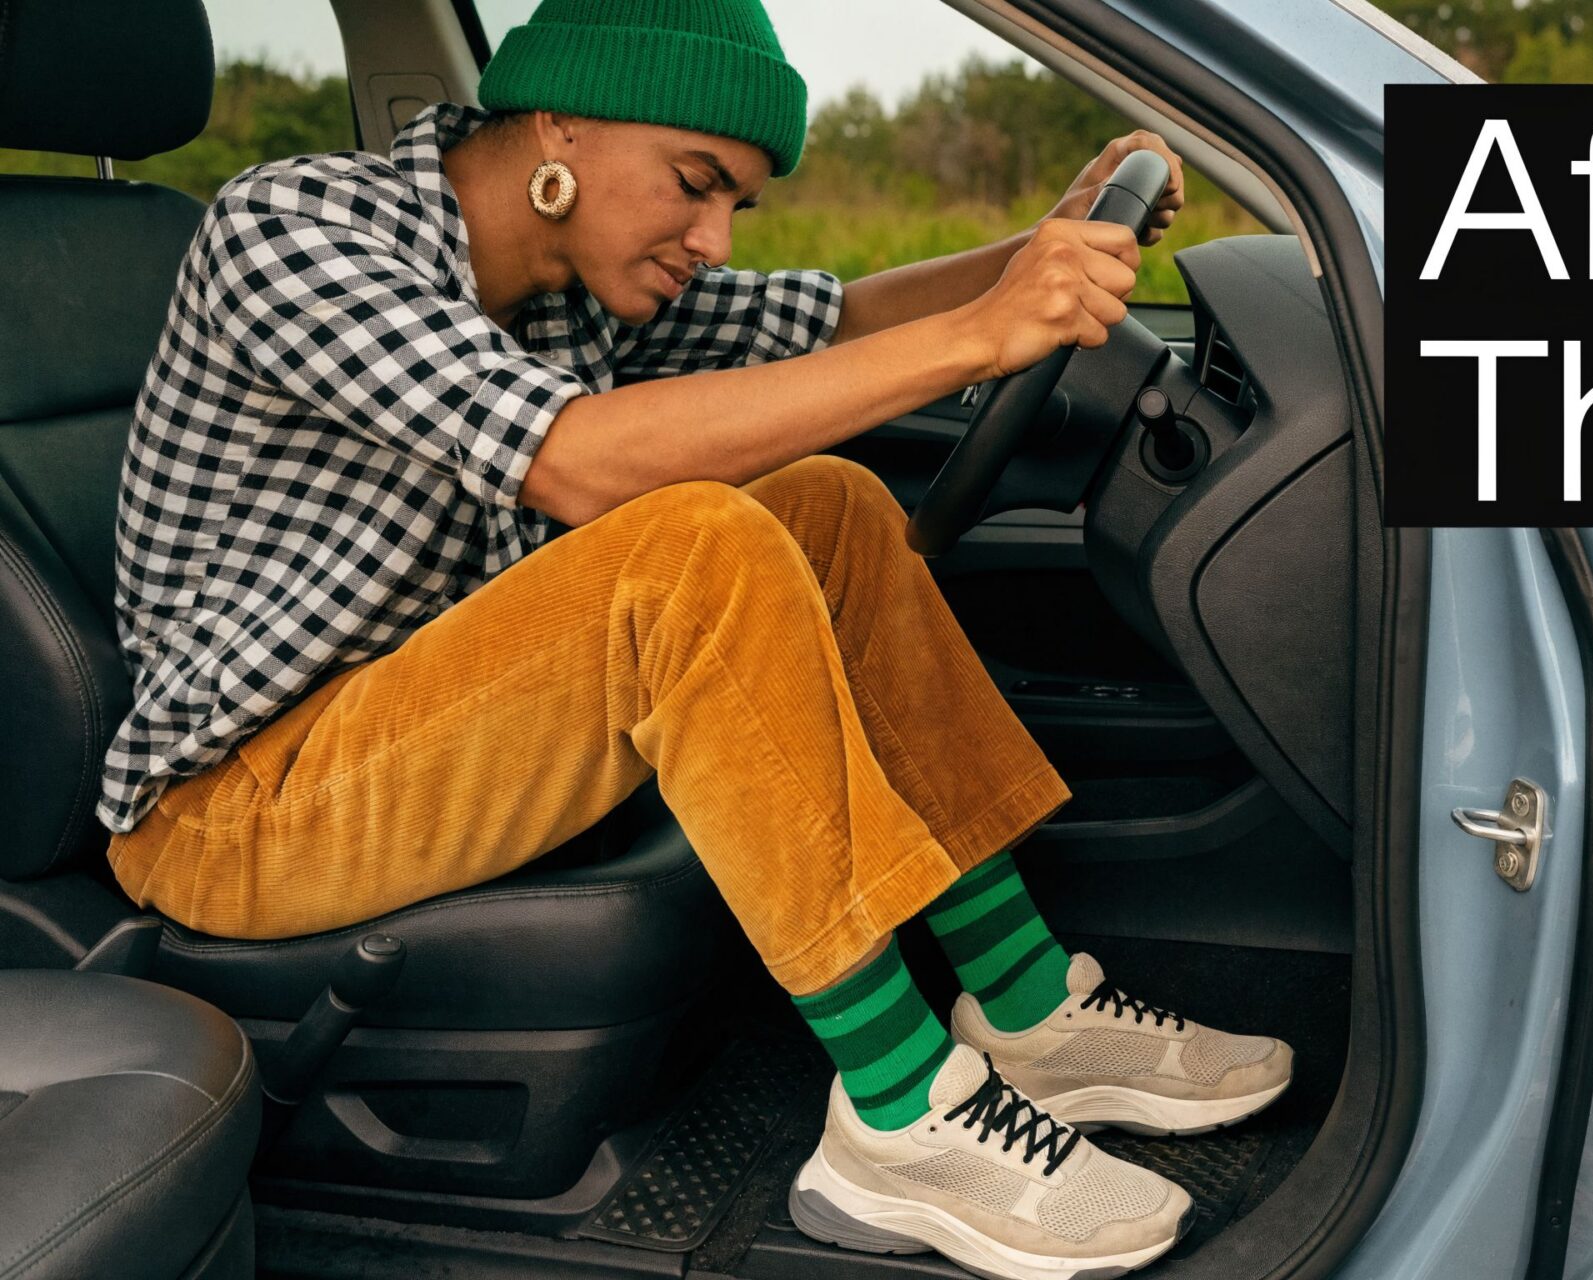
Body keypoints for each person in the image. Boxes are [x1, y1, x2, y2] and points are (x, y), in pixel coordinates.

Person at [96, 1, 1291, 1274]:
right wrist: (982, 336)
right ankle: (897, 1121)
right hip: (235, 798)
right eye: (695, 183)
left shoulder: (572, 282)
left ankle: (1029, 1005)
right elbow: (579, 462)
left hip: (405, 722)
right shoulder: (289, 229)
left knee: (826, 503)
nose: (712, 241)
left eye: (739, 208)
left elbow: (831, 327)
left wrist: (1031, 255)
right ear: (557, 125)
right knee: (692, 546)